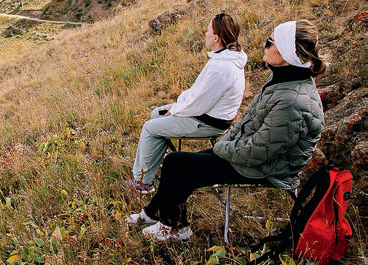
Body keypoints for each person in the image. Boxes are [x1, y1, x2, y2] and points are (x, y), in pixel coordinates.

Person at [128, 20, 326, 241]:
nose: (265, 45)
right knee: (179, 163)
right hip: (252, 155)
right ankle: (155, 213)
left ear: (287, 55)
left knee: (178, 164)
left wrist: (223, 149)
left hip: (270, 168)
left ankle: (174, 227)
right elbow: (247, 122)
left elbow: (260, 151)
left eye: (271, 42)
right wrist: (227, 144)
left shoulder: (292, 100)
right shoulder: (283, 81)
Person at [125, 13, 247, 194]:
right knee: (157, 113)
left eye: (208, 30)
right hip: (209, 116)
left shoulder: (221, 67)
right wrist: (176, 106)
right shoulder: (227, 58)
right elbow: (199, 94)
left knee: (150, 127)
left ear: (216, 38)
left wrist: (175, 109)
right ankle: (150, 167)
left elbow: (200, 103)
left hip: (207, 122)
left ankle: (142, 182)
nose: (205, 33)